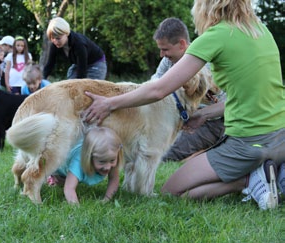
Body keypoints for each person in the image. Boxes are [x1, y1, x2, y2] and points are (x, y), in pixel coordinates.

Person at [83, 0, 285, 210]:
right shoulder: (262, 32)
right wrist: (205, 114)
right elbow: (246, 97)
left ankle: (248, 181)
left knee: (172, 191)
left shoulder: (215, 36)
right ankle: (271, 169)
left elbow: (158, 90)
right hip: (281, 135)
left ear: (205, 7)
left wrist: (110, 103)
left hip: (248, 142)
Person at [149, 17, 226, 162]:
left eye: (165, 49)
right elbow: (155, 83)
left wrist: (202, 114)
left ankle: (211, 148)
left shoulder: (209, 64)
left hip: (210, 122)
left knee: (165, 154)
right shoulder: (168, 61)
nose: (162, 55)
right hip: (180, 119)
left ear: (182, 44)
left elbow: (231, 103)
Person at [46, 127, 123, 204]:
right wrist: (76, 208)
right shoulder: (78, 162)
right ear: (89, 156)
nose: (108, 167)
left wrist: (106, 199)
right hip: (59, 164)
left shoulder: (110, 157)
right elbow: (69, 188)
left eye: (112, 160)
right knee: (63, 180)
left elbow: (113, 179)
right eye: (102, 162)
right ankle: (53, 177)